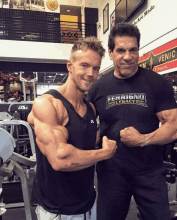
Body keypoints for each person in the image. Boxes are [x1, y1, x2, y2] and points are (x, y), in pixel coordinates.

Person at [87, 23, 177, 220]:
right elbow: (84, 125)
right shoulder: (98, 87)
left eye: (133, 50)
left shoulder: (157, 83)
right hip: (111, 172)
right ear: (111, 53)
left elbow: (173, 128)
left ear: (139, 51)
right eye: (121, 50)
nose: (128, 56)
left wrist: (143, 139)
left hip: (150, 172)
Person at [27, 36, 117, 220]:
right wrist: (105, 153)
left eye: (96, 68)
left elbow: (84, 143)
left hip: (88, 205)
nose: (90, 73)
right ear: (70, 66)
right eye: (84, 65)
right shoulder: (47, 104)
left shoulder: (90, 108)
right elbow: (60, 159)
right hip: (58, 212)